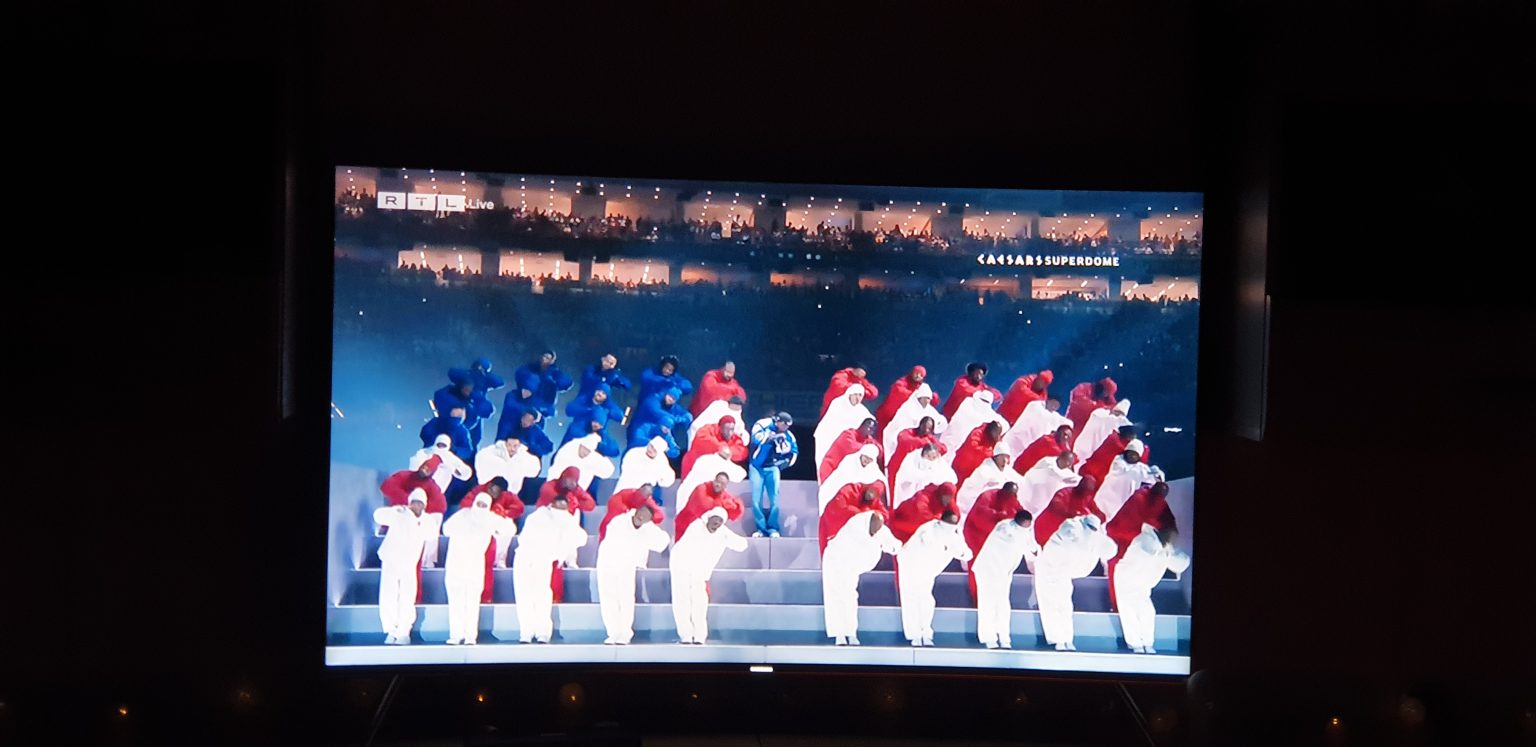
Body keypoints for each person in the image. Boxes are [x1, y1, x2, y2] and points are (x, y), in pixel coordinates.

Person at [442, 488, 517, 645]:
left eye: (484, 505)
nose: (480, 508)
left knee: (472, 601)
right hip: (456, 563)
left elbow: (510, 530)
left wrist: (501, 517)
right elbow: (446, 529)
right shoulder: (463, 515)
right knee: (455, 601)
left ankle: (470, 636)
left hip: (475, 565)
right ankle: (456, 635)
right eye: (479, 504)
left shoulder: (490, 518)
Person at [1034, 514, 1117, 651]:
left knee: (1065, 606)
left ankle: (1066, 639)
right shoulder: (1071, 527)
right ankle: (1057, 639)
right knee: (1051, 606)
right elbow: (1061, 547)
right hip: (1048, 570)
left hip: (1064, 573)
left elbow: (1111, 550)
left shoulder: (1095, 537)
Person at [512, 496, 589, 643]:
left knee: (542, 596)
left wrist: (562, 550)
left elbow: (581, 538)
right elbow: (526, 539)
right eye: (558, 507)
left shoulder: (566, 519)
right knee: (523, 595)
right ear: (551, 505)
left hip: (543, 560)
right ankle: (526, 632)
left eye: (564, 508)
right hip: (524, 558)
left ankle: (543, 632)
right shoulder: (536, 517)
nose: (561, 511)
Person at [821, 510, 902, 646]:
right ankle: (839, 634)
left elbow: (894, 544)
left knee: (850, 596)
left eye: (878, 527)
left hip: (852, 567)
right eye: (874, 527)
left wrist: (893, 547)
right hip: (836, 561)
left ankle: (851, 632)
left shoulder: (879, 530)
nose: (875, 531)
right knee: (836, 596)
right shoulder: (854, 528)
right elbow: (857, 550)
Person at [669, 506, 749, 644]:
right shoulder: (696, 527)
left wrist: (726, 535)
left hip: (699, 573)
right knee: (682, 601)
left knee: (699, 603)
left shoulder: (722, 532)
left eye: (720, 521)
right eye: (714, 520)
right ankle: (686, 636)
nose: (716, 523)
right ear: (708, 518)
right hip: (681, 567)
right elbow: (691, 550)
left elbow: (742, 545)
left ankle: (699, 637)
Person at [596, 504, 670, 645]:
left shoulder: (647, 529)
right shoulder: (619, 521)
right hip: (608, 562)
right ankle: (613, 633)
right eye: (641, 513)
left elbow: (661, 542)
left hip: (626, 566)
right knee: (609, 598)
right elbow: (619, 541)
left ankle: (625, 633)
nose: (642, 517)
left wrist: (649, 530)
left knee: (626, 598)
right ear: (636, 511)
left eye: (646, 517)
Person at [897, 510, 972, 646]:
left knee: (926, 600)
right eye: (949, 523)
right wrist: (948, 547)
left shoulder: (954, 534)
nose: (951, 526)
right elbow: (928, 542)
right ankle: (914, 635)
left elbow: (966, 553)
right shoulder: (928, 529)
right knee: (911, 600)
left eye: (954, 523)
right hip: (910, 566)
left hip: (928, 571)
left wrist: (958, 551)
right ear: (941, 521)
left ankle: (926, 632)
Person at [1114, 524, 1190, 654]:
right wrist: (1166, 553)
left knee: (1148, 612)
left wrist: (1170, 552)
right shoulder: (1144, 539)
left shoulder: (1165, 547)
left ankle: (1147, 643)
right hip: (1126, 581)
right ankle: (1136, 644)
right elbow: (1146, 554)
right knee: (1129, 613)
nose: (1174, 541)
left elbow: (1180, 564)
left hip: (1142, 585)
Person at [373, 490, 435, 645]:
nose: (416, 506)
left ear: (424, 505)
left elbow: (432, 535)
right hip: (391, 560)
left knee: (407, 597)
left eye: (420, 503)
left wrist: (420, 522)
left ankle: (403, 631)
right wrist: (394, 511)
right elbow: (378, 516)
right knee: (388, 595)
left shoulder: (427, 520)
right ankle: (391, 630)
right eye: (414, 502)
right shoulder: (399, 513)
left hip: (409, 564)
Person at [972, 509, 1039, 649]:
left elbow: (1031, 545)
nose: (1028, 527)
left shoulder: (1024, 531)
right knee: (988, 604)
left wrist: (1035, 549)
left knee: (1003, 604)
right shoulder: (1004, 528)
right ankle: (989, 638)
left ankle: (1004, 637)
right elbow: (1018, 541)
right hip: (988, 571)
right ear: (1021, 522)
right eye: (1027, 524)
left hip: (1004, 573)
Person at [1106, 482, 1177, 610]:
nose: (1161, 498)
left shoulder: (1161, 503)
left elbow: (1169, 524)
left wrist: (1164, 537)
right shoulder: (1139, 498)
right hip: (1123, 540)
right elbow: (1124, 523)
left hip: (1141, 545)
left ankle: (1127, 605)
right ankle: (1116, 605)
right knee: (1117, 571)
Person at [457, 477, 525, 603]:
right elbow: (465, 504)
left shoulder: (506, 496)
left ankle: (487, 594)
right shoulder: (478, 491)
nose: (496, 494)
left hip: (492, 531)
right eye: (495, 491)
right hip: (475, 531)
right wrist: (480, 511)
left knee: (507, 528)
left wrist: (505, 512)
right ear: (489, 486)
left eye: (499, 492)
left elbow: (519, 508)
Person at [535, 466, 597, 601]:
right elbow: (555, 501)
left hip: (563, 530)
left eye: (574, 481)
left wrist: (577, 491)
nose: (570, 483)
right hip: (547, 527)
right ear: (562, 476)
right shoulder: (550, 486)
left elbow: (590, 505)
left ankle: (570, 559)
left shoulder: (574, 490)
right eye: (568, 479)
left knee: (573, 518)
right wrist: (571, 502)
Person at [962, 482, 1024, 598]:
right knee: (977, 567)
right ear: (1003, 491)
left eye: (1014, 494)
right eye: (1009, 494)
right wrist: (1001, 516)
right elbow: (980, 516)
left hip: (995, 540)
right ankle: (976, 597)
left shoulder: (1013, 501)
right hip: (976, 535)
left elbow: (1020, 515)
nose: (1012, 496)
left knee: (996, 569)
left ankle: (993, 596)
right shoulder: (987, 497)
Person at [748, 411, 798, 537]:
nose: (786, 428)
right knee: (756, 499)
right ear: (778, 421)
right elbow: (755, 438)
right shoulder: (762, 424)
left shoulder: (788, 435)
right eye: (784, 425)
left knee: (774, 499)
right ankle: (760, 528)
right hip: (757, 467)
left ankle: (772, 528)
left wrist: (783, 464)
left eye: (788, 426)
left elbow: (794, 452)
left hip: (773, 468)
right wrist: (771, 437)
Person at [1093, 440, 1164, 522]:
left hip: (1119, 504)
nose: (1132, 456)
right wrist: (1147, 473)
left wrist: (1157, 474)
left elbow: (1155, 480)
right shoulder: (1118, 460)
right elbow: (1127, 472)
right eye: (1130, 453)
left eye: (1135, 455)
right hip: (1104, 498)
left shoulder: (1140, 467)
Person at [818, 481, 891, 555]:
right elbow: (837, 506)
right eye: (871, 491)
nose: (870, 495)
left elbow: (884, 515)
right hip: (831, 531)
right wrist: (863, 515)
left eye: (874, 493)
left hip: (852, 543)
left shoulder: (874, 502)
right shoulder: (852, 490)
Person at [881, 384, 948, 462]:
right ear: (920, 397)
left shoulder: (929, 409)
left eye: (928, 398)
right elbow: (901, 430)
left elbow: (941, 422)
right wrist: (919, 440)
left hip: (919, 441)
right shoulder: (908, 407)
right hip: (898, 437)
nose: (927, 401)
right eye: (925, 398)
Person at [813, 384, 876, 468]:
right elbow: (833, 424)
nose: (857, 398)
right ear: (850, 394)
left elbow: (870, 421)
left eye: (860, 395)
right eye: (855, 394)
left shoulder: (861, 410)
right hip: (829, 439)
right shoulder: (838, 403)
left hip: (847, 443)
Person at [673, 446, 747, 516]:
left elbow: (741, 475)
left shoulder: (704, 458)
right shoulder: (722, 464)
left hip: (686, 492)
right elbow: (740, 475)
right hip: (695, 494)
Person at [1034, 476, 1105, 547]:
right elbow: (1056, 505)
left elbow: (1099, 514)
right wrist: (1075, 514)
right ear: (1080, 485)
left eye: (1089, 492)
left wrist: (1098, 517)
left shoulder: (1087, 499)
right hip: (1046, 529)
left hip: (1065, 535)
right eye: (1085, 490)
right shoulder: (1064, 493)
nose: (1086, 494)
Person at [956, 442, 1024, 515]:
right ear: (995, 457)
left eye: (1007, 457)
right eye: (1002, 457)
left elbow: (1021, 481)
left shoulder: (1007, 470)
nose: (1005, 460)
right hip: (979, 507)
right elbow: (970, 491)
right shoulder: (984, 471)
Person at [675, 472, 744, 540]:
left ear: (725, 487)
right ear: (714, 480)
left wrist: (735, 506)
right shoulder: (701, 488)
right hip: (685, 527)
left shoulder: (723, 495)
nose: (718, 485)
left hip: (703, 533)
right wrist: (723, 504)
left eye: (722, 484)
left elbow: (736, 513)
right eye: (717, 481)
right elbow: (703, 508)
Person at [560, 383, 624, 456]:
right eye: (599, 390)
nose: (600, 394)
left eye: (604, 393)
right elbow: (569, 410)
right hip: (575, 435)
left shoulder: (607, 408)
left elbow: (621, 417)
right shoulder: (584, 399)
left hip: (593, 440)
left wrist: (608, 409)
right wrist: (589, 410)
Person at [817, 444, 884, 514]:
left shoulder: (873, 469)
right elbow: (841, 479)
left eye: (870, 459)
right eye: (866, 457)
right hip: (838, 493)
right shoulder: (849, 461)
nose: (867, 460)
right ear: (861, 454)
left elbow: (881, 480)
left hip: (856, 500)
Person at [887, 416, 948, 491]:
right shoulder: (908, 432)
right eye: (924, 426)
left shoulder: (929, 437)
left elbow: (944, 449)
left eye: (929, 428)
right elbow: (904, 440)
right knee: (892, 491)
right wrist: (922, 442)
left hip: (913, 472)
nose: (926, 430)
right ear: (920, 424)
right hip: (896, 468)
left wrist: (931, 442)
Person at [891, 443, 959, 509]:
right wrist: (927, 476)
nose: (931, 459)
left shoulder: (939, 462)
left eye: (934, 457)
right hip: (907, 491)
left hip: (924, 497)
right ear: (923, 454)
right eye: (928, 456)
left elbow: (952, 478)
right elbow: (907, 474)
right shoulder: (912, 457)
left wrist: (933, 478)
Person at [433, 377, 497, 448]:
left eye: (470, 388)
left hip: (465, 432)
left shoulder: (475, 400)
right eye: (466, 387)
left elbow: (488, 411)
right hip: (445, 429)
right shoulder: (450, 392)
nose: (467, 390)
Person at [1000, 397, 1072, 459]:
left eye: (1057, 405)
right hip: (1017, 438)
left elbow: (1068, 423)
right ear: (1048, 400)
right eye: (1054, 403)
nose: (1054, 406)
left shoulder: (1055, 416)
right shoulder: (1035, 405)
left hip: (1028, 446)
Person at [510, 350, 574, 419]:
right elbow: (520, 376)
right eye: (544, 356)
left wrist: (554, 376)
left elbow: (566, 383)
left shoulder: (554, 373)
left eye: (548, 358)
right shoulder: (530, 369)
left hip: (544, 407)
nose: (545, 359)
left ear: (552, 361)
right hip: (527, 405)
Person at [939, 389, 1008, 452]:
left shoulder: (967, 401)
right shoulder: (990, 416)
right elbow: (1006, 426)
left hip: (946, 440)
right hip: (961, 448)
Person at [818, 417, 884, 481]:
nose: (871, 432)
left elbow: (880, 451)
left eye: (873, 430)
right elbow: (852, 449)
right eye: (869, 428)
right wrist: (869, 447)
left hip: (844, 474)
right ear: (862, 426)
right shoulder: (848, 434)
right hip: (830, 470)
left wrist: (873, 447)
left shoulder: (867, 439)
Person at [889, 481, 958, 542]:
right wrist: (937, 521)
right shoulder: (925, 495)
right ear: (941, 493)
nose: (948, 499)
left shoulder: (947, 498)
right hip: (904, 522)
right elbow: (920, 508)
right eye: (946, 497)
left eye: (950, 497)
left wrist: (953, 518)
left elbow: (955, 512)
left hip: (919, 531)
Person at [1020, 451, 1083, 517]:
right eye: (1066, 461)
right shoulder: (1048, 462)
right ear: (1060, 457)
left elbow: (1075, 479)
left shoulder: (1066, 471)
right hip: (1030, 489)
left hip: (1041, 499)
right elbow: (1056, 474)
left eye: (1070, 463)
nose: (1068, 464)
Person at [628, 386, 693, 448]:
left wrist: (681, 419)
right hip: (641, 426)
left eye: (673, 399)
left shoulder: (675, 408)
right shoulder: (654, 399)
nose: (670, 399)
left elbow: (688, 417)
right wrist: (674, 419)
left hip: (659, 434)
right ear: (666, 394)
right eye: (670, 396)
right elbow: (656, 411)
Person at [410, 434, 475, 496]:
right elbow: (414, 464)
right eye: (439, 444)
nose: (441, 447)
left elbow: (466, 473)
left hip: (438, 488)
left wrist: (452, 468)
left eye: (444, 445)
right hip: (420, 485)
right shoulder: (426, 452)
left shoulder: (450, 458)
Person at [549, 433, 617, 491]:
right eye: (585, 449)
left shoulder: (593, 458)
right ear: (580, 445)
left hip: (577, 493)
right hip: (558, 489)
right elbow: (556, 470)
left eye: (588, 451)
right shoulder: (567, 451)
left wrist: (603, 455)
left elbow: (608, 471)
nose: (586, 453)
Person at [597, 483, 665, 541]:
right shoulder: (626, 493)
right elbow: (613, 501)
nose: (643, 494)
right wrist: (627, 512)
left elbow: (659, 516)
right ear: (639, 489)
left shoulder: (648, 502)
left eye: (647, 494)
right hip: (616, 522)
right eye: (642, 491)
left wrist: (647, 517)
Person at [683, 415, 748, 476]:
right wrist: (721, 448)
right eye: (727, 429)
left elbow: (743, 451)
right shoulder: (708, 429)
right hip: (695, 466)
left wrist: (730, 452)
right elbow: (702, 439)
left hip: (716, 471)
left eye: (732, 429)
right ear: (720, 427)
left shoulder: (734, 437)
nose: (729, 433)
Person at [1073, 398, 1132, 463]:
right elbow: (1120, 422)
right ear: (1113, 410)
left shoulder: (1113, 422)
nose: (1118, 415)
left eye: (1120, 414)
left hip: (1092, 451)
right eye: (1117, 413)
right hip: (1082, 445)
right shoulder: (1100, 413)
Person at [951, 421, 1006, 486]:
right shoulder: (978, 432)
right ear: (991, 430)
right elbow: (973, 447)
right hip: (960, 465)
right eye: (996, 433)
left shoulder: (995, 440)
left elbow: (1000, 452)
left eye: (999, 434)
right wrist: (990, 452)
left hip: (971, 471)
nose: (998, 437)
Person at [873, 365, 928, 430]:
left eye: (921, 375)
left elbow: (928, 398)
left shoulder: (922, 388)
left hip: (901, 420)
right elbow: (898, 390)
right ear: (912, 373)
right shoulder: (903, 381)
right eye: (916, 373)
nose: (918, 376)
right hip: (886, 415)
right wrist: (914, 395)